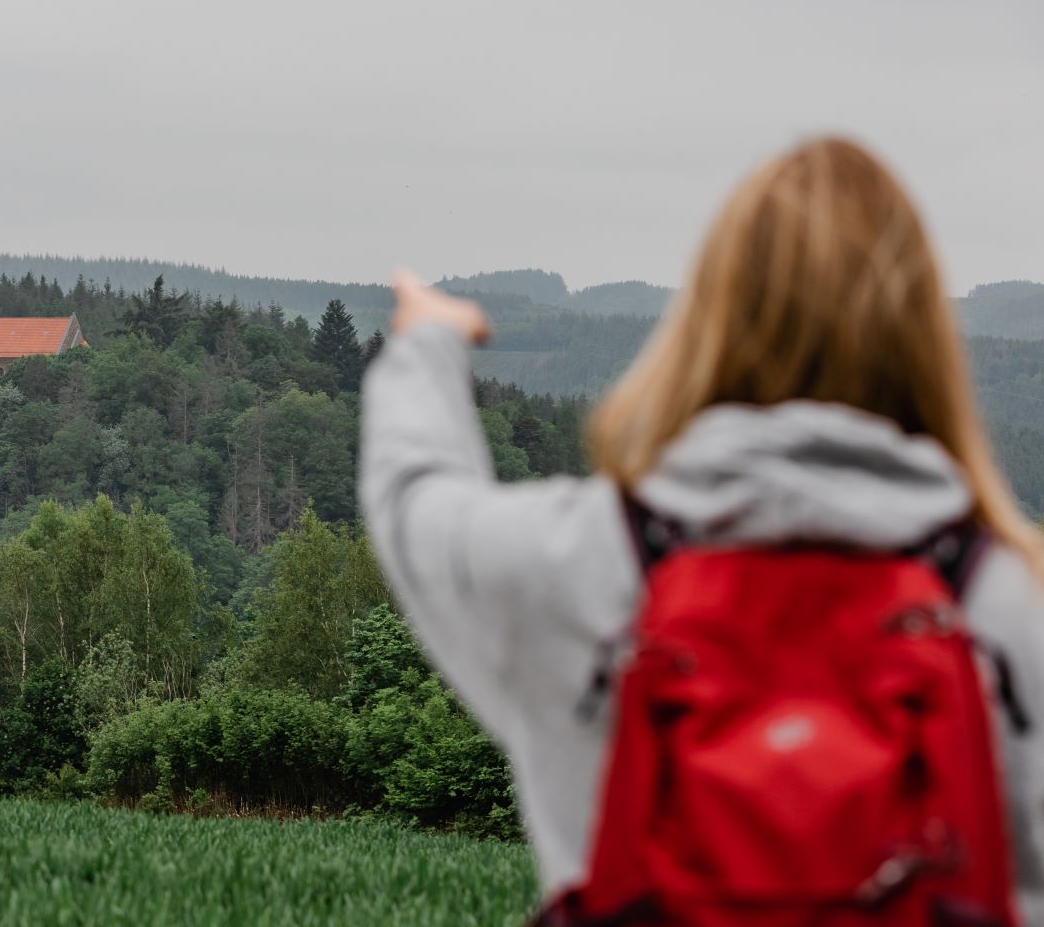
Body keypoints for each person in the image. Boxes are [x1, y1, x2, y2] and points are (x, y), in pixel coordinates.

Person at [361, 137, 1044, 923]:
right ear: (928, 339)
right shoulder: (1010, 607)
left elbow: (414, 499)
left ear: (708, 315)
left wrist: (427, 340)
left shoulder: (576, 564)